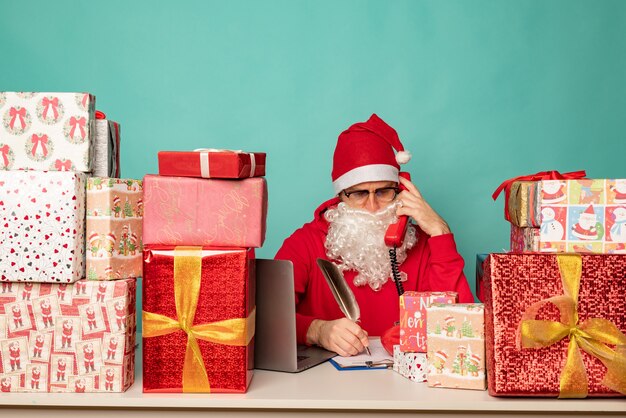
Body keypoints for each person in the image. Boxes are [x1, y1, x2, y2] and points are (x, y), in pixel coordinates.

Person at [275, 114, 473, 357]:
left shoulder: (424, 244)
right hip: (326, 386)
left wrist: (441, 233)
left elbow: (463, 326)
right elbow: (266, 318)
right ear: (341, 196)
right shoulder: (304, 243)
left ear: (401, 190)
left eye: (383, 191)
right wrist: (317, 331)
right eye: (358, 194)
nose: (372, 206)